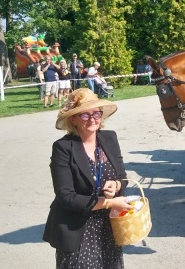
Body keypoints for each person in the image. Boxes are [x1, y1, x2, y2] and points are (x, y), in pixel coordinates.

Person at [43, 88, 134, 268]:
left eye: (96, 113)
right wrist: (109, 203)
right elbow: (66, 197)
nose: (92, 119)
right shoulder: (63, 147)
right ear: (73, 119)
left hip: (108, 227)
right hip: (76, 227)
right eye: (85, 115)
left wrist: (116, 185)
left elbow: (122, 177)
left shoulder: (109, 138)